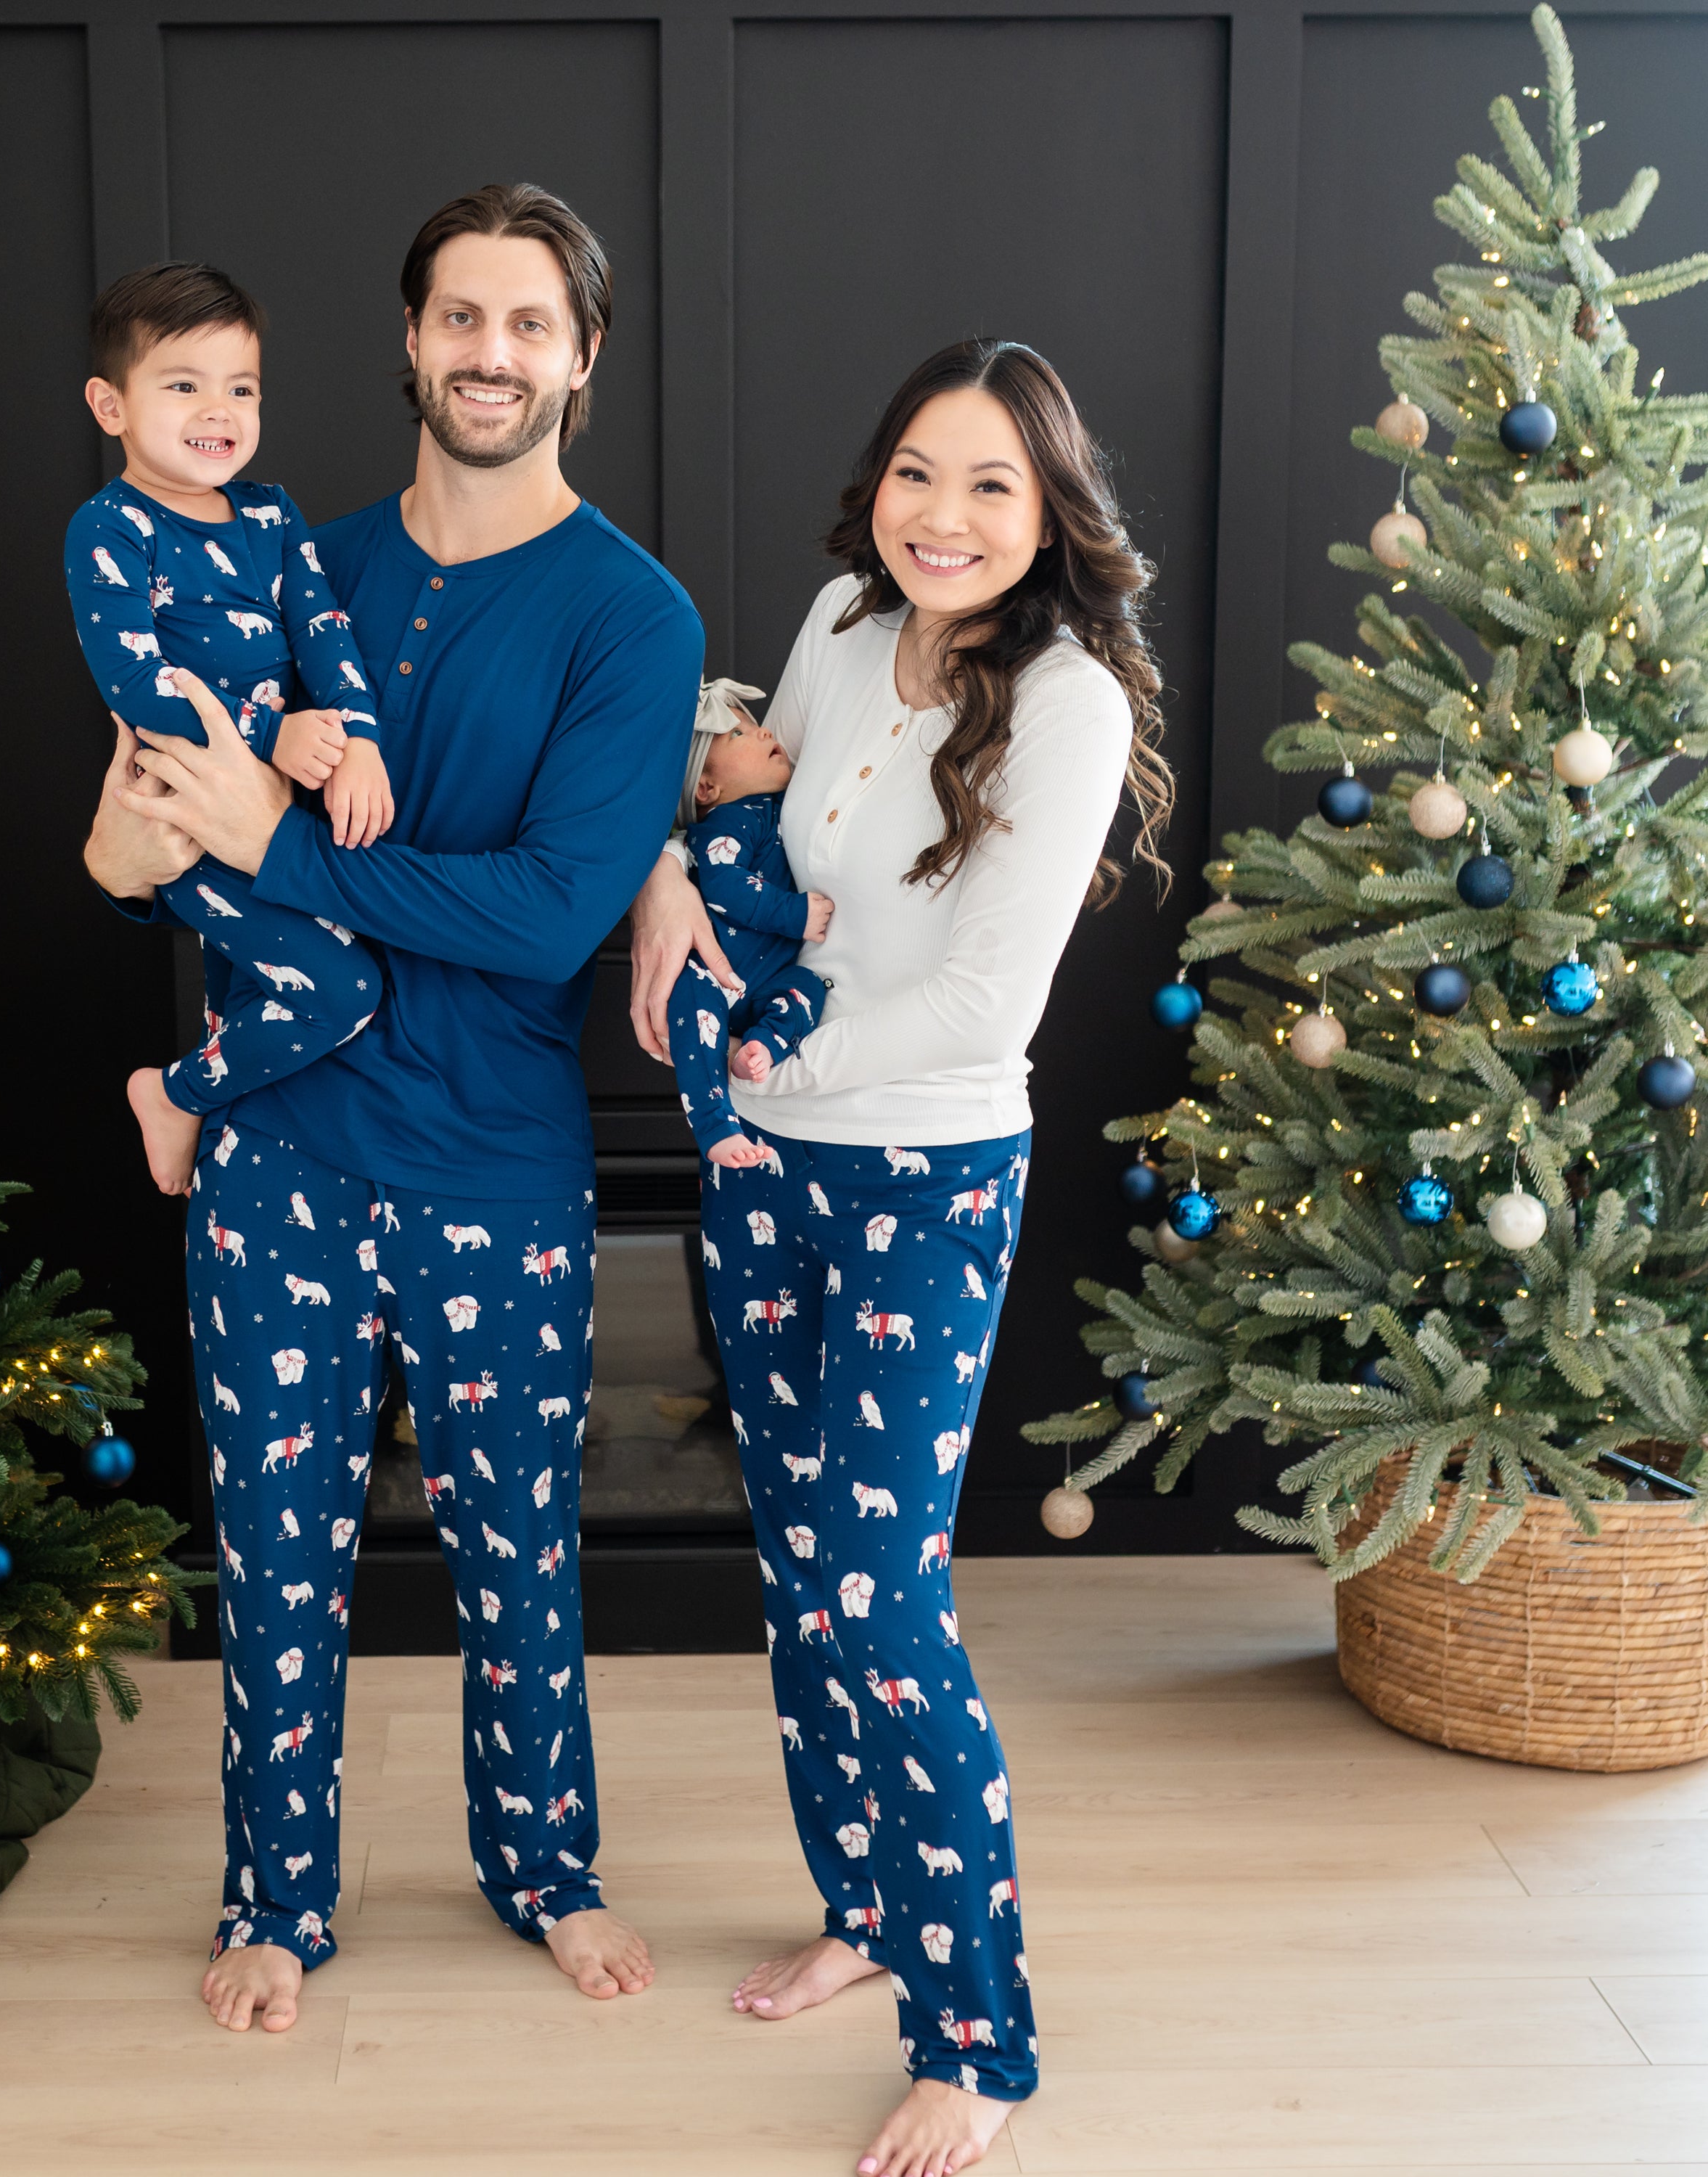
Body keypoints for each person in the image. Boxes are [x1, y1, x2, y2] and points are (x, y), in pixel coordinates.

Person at [81, 183, 704, 2038]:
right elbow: (130, 833)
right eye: (458, 318)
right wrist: (136, 825)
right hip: (277, 1151)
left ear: (580, 358)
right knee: (273, 1552)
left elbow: (541, 915)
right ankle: (278, 1899)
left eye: (527, 324)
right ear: (410, 343)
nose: (488, 353)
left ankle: (547, 1867)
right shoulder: (285, 557)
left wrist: (281, 842)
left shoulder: (630, 615)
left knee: (522, 1547)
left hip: (495, 1168)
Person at [628, 338, 1173, 2177]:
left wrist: (752, 1054)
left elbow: (967, 1006)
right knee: (798, 1572)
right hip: (764, 1164)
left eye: (990, 486)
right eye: (916, 473)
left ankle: (977, 2031)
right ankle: (864, 1909)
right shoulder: (841, 619)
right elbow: (763, 827)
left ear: (1047, 515)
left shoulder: (1072, 703)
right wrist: (679, 896)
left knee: (880, 1593)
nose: (941, 515)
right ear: (877, 481)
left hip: (921, 1177)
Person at [65, 261, 393, 1199]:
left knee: (251, 996)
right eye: (183, 385)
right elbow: (136, 683)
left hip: (280, 814)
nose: (219, 410)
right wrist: (273, 733)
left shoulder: (269, 513)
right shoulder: (111, 529)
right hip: (188, 809)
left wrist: (357, 737)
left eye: (240, 388)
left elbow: (324, 631)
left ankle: (234, 1154)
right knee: (342, 988)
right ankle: (172, 1096)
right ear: (110, 404)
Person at [667, 678, 834, 1170]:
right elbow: (724, 888)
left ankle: (762, 1045)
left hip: (767, 981)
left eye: (755, 726)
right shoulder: (727, 820)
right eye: (739, 734)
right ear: (706, 787)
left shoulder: (776, 806)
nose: (764, 734)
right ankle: (714, 1124)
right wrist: (794, 913)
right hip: (712, 978)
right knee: (692, 1015)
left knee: (807, 986)